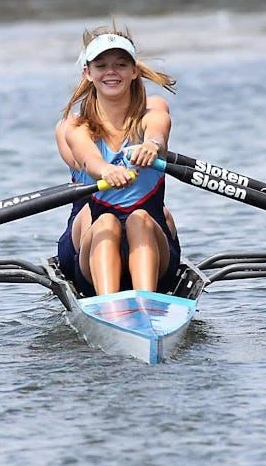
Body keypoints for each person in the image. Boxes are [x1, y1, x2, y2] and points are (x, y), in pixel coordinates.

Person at [55, 25, 180, 296]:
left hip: (154, 253)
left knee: (140, 219)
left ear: (134, 71)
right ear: (87, 73)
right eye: (101, 65)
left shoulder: (151, 114)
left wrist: (151, 146)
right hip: (95, 250)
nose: (111, 71)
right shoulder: (77, 128)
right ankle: (109, 306)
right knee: (106, 222)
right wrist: (106, 171)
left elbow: (158, 131)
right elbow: (89, 160)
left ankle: (146, 304)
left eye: (121, 64)